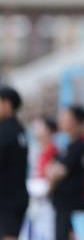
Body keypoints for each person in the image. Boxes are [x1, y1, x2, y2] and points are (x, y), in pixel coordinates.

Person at [48, 106, 84, 240]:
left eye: (66, 118)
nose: (62, 121)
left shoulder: (82, 144)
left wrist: (52, 176)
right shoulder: (68, 144)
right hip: (64, 204)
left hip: (75, 204)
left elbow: (58, 171)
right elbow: (50, 168)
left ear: (76, 121)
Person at [0, 86, 28, 240]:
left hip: (6, 199)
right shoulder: (19, 129)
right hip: (18, 196)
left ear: (7, 104)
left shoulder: (5, 131)